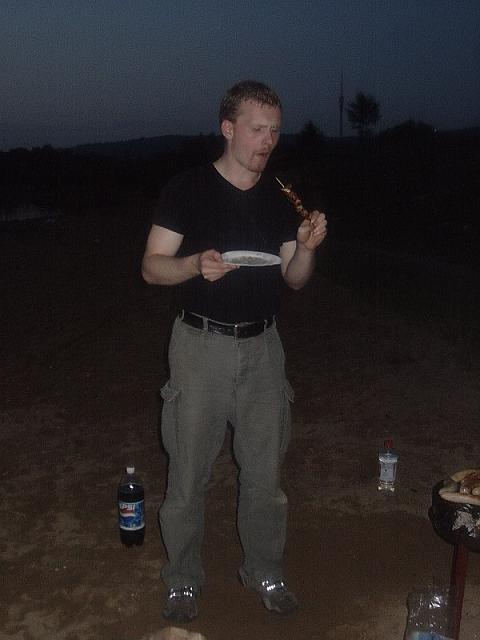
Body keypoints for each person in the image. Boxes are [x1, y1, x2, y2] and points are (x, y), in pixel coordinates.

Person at [142, 80, 327, 623]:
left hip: (264, 348)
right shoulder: (187, 189)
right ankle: (182, 579)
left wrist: (307, 249)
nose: (267, 140)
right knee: (188, 475)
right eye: (256, 129)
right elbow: (151, 267)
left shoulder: (279, 197)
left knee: (265, 475)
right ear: (228, 128)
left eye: (275, 130)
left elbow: (295, 279)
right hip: (200, 346)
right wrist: (192, 265)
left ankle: (265, 569)